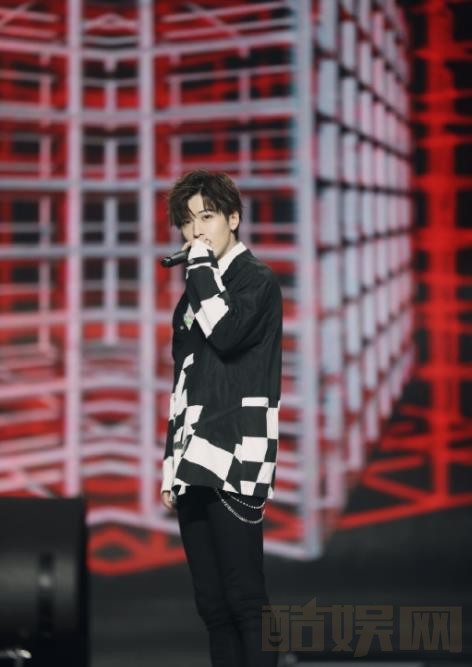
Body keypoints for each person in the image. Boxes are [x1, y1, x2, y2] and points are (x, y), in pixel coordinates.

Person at [160, 170, 282, 667]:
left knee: (245, 600)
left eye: (207, 217)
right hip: (193, 457)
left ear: (233, 218)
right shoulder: (193, 294)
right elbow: (183, 383)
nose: (196, 231)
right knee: (212, 606)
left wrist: (199, 267)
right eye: (187, 222)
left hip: (236, 452)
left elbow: (226, 334)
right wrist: (170, 462)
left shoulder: (256, 280)